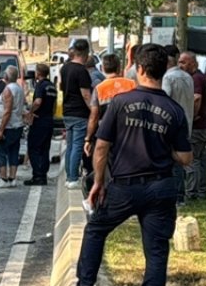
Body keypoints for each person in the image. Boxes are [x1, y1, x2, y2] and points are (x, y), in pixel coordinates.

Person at [76, 43, 193, 286]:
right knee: (157, 251)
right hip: (161, 187)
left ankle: (84, 285)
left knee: (96, 230)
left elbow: (101, 147)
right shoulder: (175, 110)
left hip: (124, 187)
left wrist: (98, 182)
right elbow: (186, 158)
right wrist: (166, 146)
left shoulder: (120, 103)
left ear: (139, 69)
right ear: (164, 70)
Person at [84, 54, 135, 185]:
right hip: (129, 131)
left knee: (105, 165)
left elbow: (94, 116)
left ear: (102, 68)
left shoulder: (100, 88)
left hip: (106, 133)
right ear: (119, 67)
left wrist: (88, 139)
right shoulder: (132, 84)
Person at [161, 45, 194, 202]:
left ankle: (176, 195)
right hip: (186, 121)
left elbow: (164, 99)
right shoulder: (188, 77)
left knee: (173, 160)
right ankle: (181, 195)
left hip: (171, 123)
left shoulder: (168, 78)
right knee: (181, 160)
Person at [178, 52, 206, 200]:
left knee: (192, 160)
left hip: (197, 127)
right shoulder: (200, 77)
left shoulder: (196, 78)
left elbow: (196, 98)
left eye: (183, 62)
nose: (180, 65)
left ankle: (192, 193)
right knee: (201, 159)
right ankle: (202, 191)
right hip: (204, 126)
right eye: (179, 62)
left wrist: (191, 117)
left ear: (193, 63)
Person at [61, 39, 94, 189]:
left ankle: (69, 176)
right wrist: (94, 110)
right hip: (80, 112)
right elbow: (86, 95)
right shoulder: (82, 71)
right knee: (77, 146)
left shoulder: (65, 68)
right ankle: (73, 178)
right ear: (86, 53)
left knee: (70, 146)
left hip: (67, 111)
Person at [0, 66, 27, 188]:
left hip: (8, 127)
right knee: (13, 151)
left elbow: (7, 111)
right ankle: (12, 178)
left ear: (6, 76)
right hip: (17, 125)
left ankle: (3, 179)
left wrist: (0, 130)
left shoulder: (8, 90)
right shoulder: (19, 89)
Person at [24, 63, 57, 185]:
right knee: (44, 149)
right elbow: (53, 106)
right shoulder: (51, 86)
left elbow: (37, 101)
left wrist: (30, 112)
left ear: (38, 73)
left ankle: (37, 176)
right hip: (49, 120)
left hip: (39, 120)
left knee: (34, 147)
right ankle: (43, 175)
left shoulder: (40, 85)